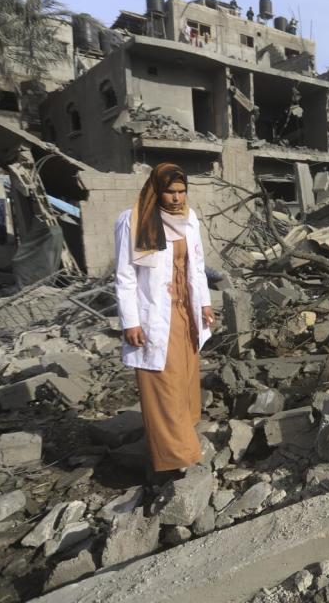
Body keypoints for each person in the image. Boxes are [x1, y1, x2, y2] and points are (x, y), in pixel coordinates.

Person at [114, 163, 215, 475]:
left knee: (185, 376)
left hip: (185, 309)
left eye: (181, 191)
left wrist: (205, 304)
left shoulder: (189, 218)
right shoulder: (133, 220)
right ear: (156, 190)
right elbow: (125, 276)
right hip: (154, 313)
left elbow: (196, 265)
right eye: (170, 192)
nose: (176, 198)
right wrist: (130, 321)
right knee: (163, 382)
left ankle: (185, 435)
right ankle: (178, 457)